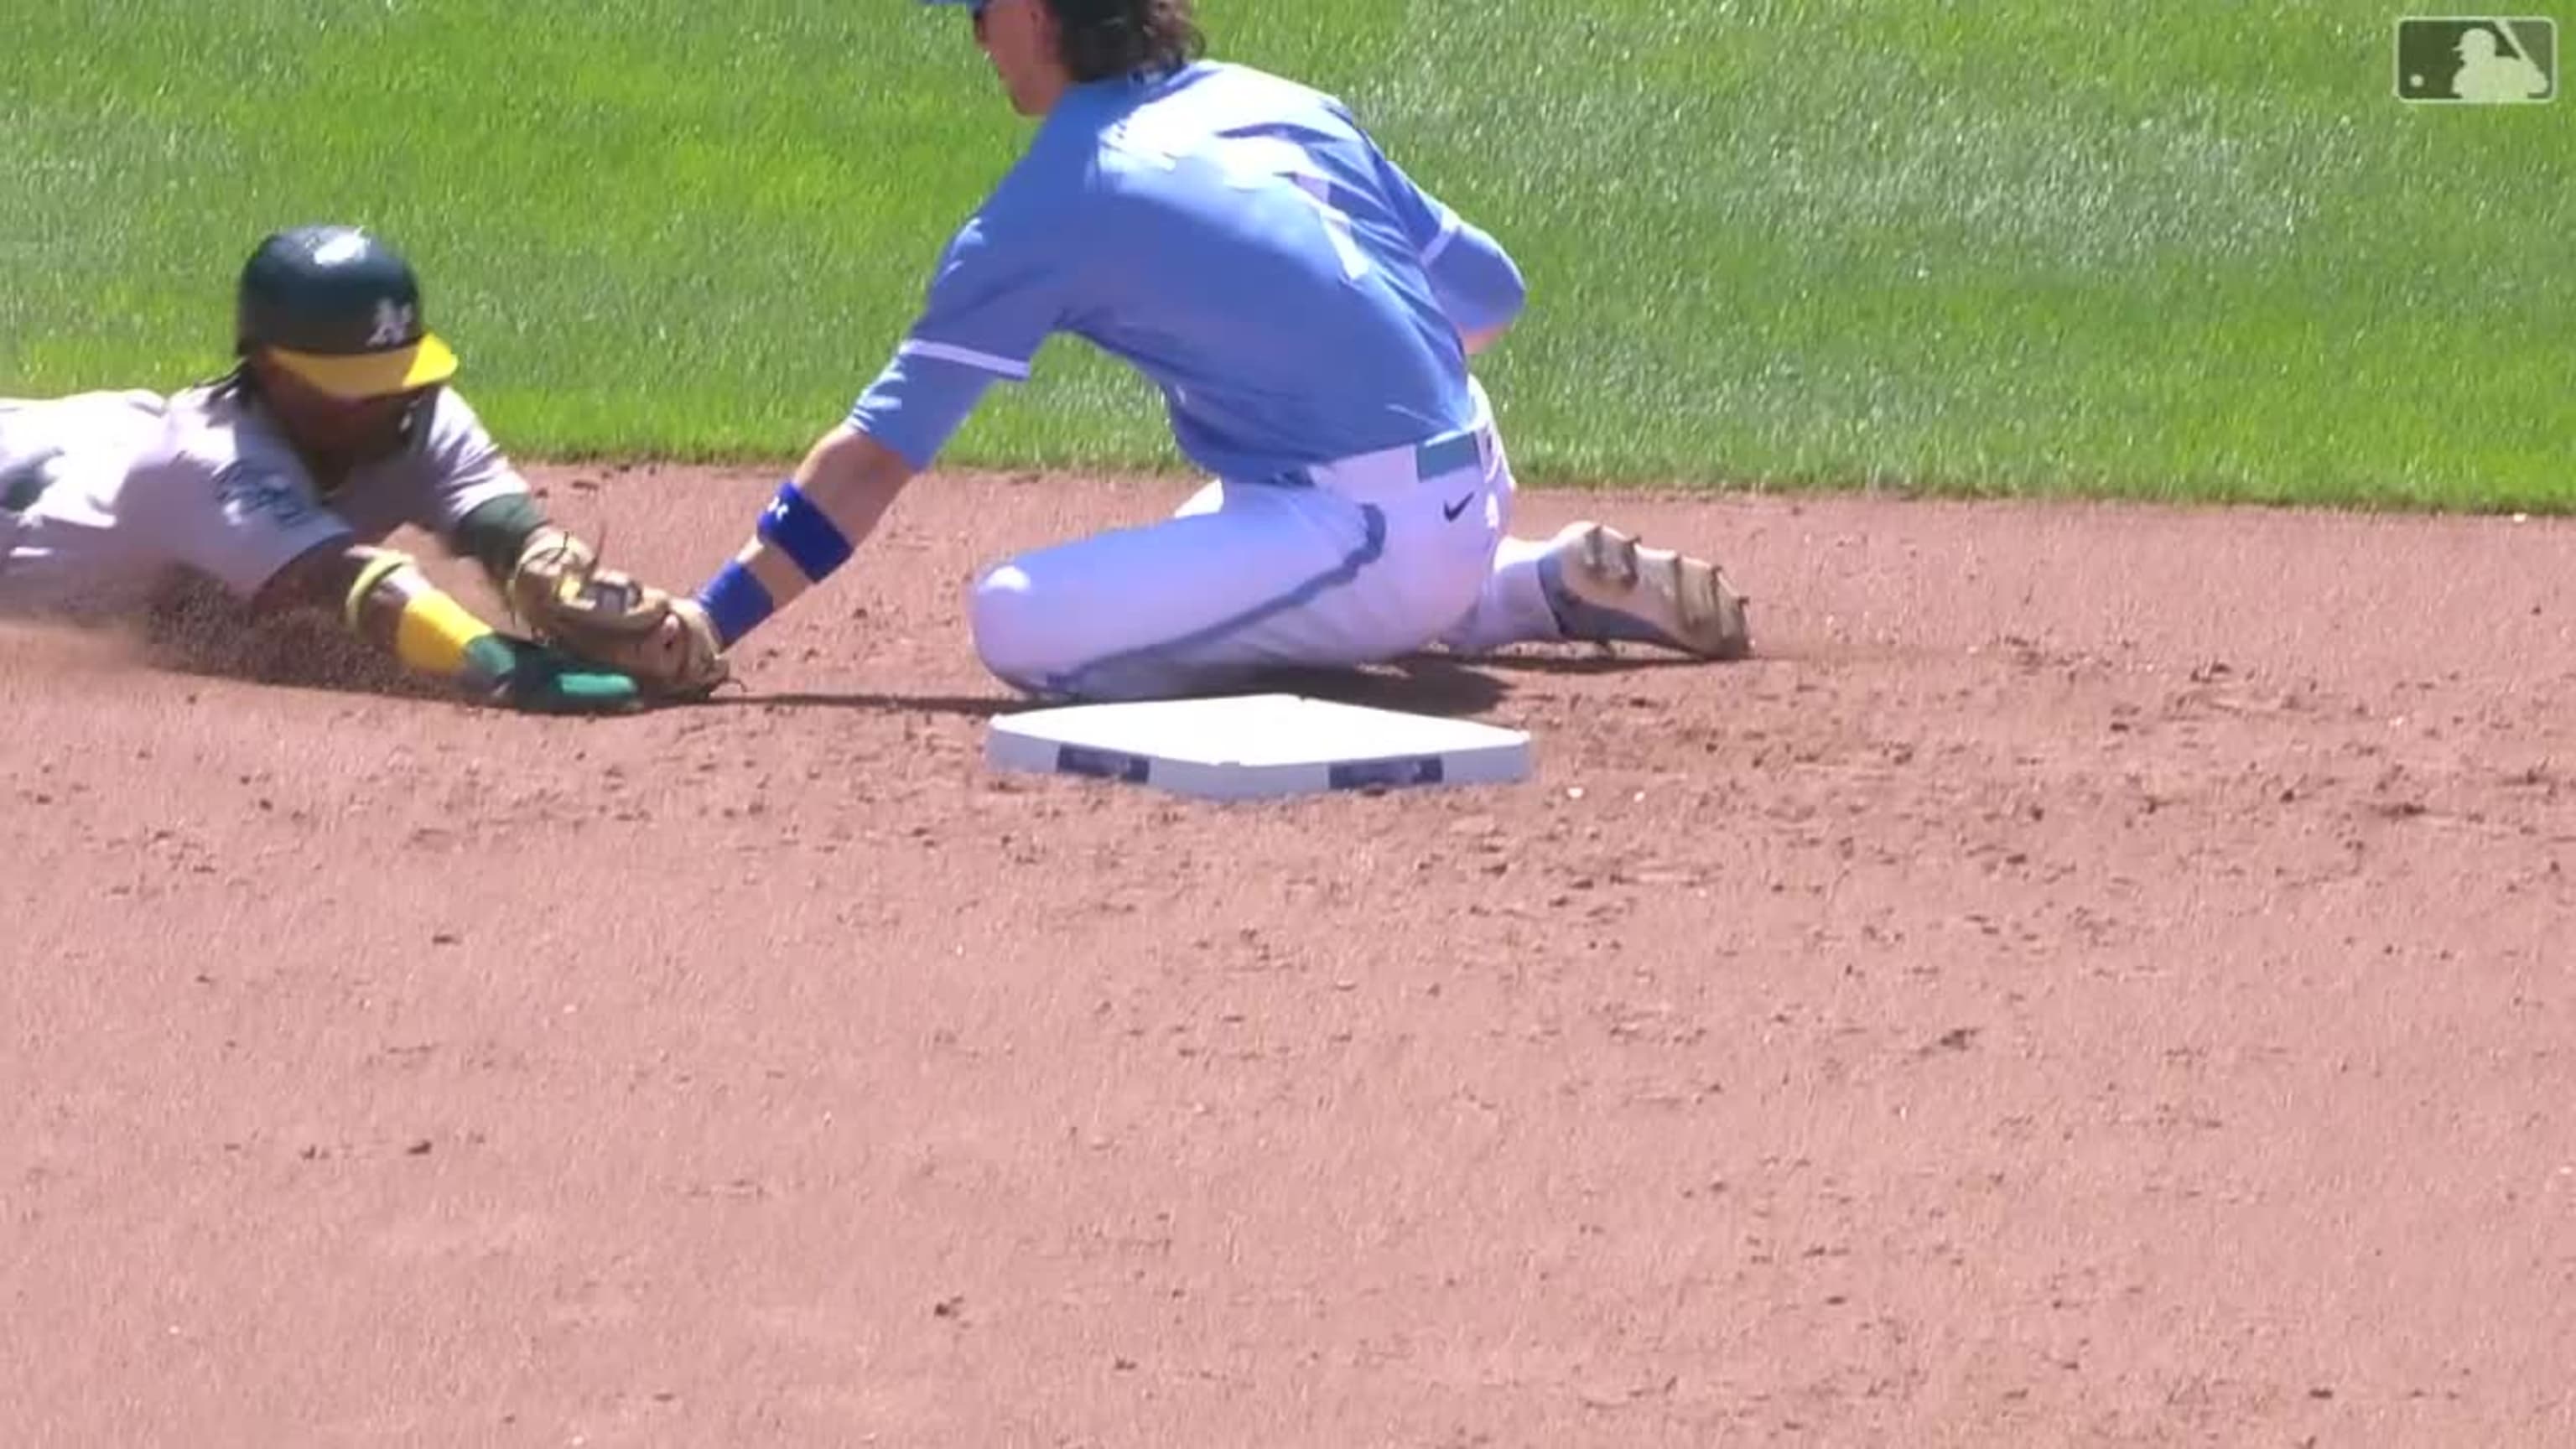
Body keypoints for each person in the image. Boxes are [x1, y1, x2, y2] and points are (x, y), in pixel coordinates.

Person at [673, 0, 1751, 704]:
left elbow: (875, 457)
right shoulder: (1271, 98)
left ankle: (1442, 587)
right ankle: (1529, 586)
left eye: (978, 10)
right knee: (1230, 535)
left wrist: (712, 617)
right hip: (1463, 460)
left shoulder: (1049, 207)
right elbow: (1489, 295)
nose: (972, 34)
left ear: (1034, 15)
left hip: (1368, 526)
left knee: (1016, 616)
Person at [0, 224, 714, 714]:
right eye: (358, 382)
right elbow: (357, 585)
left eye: (399, 371)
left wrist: (570, 588)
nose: (391, 398)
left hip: (95, 442)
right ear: (273, 371)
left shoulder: (418, 408)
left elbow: (507, 529)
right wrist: (497, 661)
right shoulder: (209, 462)